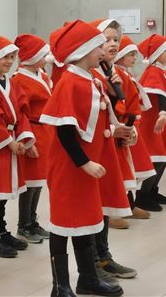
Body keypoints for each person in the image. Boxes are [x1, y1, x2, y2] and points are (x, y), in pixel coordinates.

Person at [40, 20, 127, 297]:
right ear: (84, 50)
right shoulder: (69, 82)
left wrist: (119, 130)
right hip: (71, 167)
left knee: (85, 222)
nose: (104, 50)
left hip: (86, 167)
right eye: (99, 45)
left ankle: (87, 278)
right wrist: (84, 163)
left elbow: (95, 122)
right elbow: (65, 132)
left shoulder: (90, 78)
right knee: (63, 225)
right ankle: (60, 285)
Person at [0, 34, 36, 258]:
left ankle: (1, 231)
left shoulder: (9, 83)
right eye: (4, 57)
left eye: (12, 57)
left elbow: (22, 111)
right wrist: (9, 142)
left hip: (12, 142)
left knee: (2, 192)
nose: (9, 61)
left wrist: (23, 139)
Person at [88, 19, 137, 280]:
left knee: (105, 203)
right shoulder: (90, 72)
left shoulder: (111, 72)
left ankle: (104, 256)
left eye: (115, 39)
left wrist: (129, 130)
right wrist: (113, 127)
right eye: (106, 39)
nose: (113, 44)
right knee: (95, 204)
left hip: (111, 147)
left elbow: (124, 109)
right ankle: (94, 261)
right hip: (94, 150)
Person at [12, 33, 53, 243]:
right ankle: (23, 224)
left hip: (45, 132)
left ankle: (33, 220)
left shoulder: (42, 75)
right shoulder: (19, 80)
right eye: (41, 54)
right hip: (32, 132)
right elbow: (20, 113)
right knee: (29, 182)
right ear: (30, 56)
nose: (45, 58)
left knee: (39, 181)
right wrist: (27, 140)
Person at [113, 35, 155, 221]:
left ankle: (129, 204)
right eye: (131, 54)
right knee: (119, 172)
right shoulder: (117, 74)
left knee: (130, 170)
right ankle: (114, 210)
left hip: (129, 127)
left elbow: (133, 101)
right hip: (118, 127)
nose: (135, 58)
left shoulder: (126, 74)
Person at [135, 34, 166, 211]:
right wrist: (162, 112)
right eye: (165, 50)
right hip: (153, 122)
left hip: (162, 121)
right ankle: (143, 195)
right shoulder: (153, 71)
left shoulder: (162, 71)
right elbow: (158, 93)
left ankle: (152, 190)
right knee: (155, 159)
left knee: (163, 158)